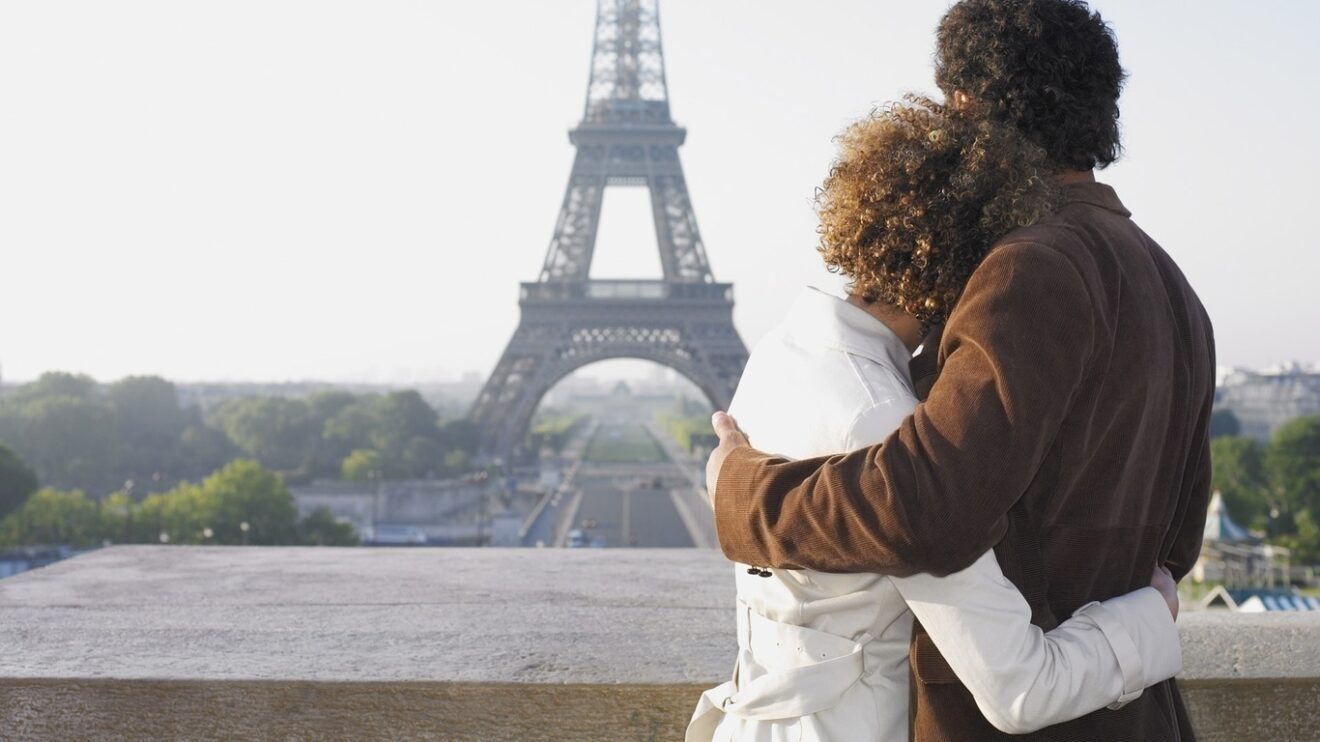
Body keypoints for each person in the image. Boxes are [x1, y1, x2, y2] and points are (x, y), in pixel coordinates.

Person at [704, 2, 1215, 740]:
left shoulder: (1028, 268)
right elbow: (1179, 544)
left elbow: (926, 509)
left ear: (967, 104)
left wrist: (740, 492)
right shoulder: (1172, 285)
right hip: (1136, 712)